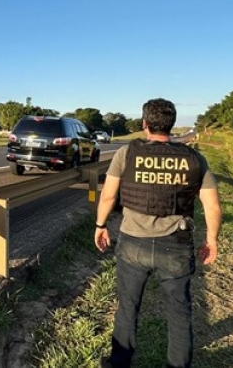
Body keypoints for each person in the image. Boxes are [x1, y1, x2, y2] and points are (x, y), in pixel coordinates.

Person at [95, 98, 222, 368]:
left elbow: (108, 195)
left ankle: (118, 363)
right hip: (176, 246)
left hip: (132, 244)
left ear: (144, 124)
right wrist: (211, 240)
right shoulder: (194, 159)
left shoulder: (128, 153)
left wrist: (100, 225)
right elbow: (212, 205)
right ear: (172, 125)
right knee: (179, 314)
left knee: (128, 308)